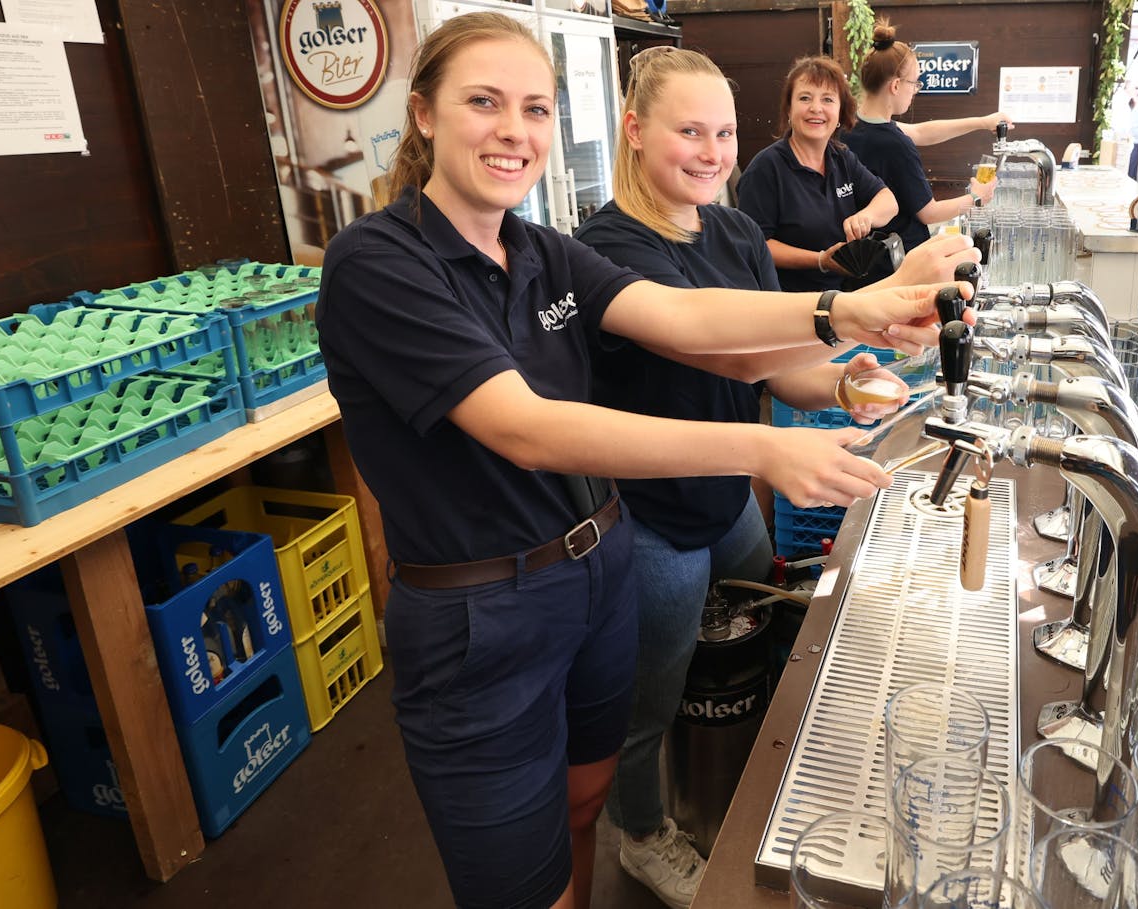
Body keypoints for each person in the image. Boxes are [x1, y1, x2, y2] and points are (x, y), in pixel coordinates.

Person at [314, 15, 959, 909]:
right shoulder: (378, 262)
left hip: (599, 568)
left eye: (535, 108)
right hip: (481, 614)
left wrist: (846, 316)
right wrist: (762, 446)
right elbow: (530, 428)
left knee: (585, 798)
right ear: (423, 114)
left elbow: (686, 321)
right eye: (484, 103)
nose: (515, 130)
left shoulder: (543, 251)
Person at [573, 46, 978, 908]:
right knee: (656, 691)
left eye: (722, 131)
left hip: (729, 498)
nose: (713, 151)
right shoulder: (604, 249)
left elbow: (763, 364)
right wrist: (852, 312)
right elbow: (696, 332)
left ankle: (757, 783)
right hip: (653, 518)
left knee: (776, 632)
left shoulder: (733, 231)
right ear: (636, 133)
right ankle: (643, 834)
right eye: (689, 131)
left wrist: (839, 381)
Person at [738, 55, 899, 292]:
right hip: (790, 303)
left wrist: (866, 216)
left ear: (840, 112)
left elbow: (888, 201)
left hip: (845, 293)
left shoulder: (840, 156)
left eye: (828, 99)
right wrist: (821, 261)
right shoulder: (766, 169)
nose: (816, 108)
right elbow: (756, 245)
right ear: (789, 110)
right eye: (805, 98)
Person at [842, 21, 1006, 253]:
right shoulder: (895, 145)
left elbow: (920, 131)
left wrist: (982, 122)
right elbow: (929, 213)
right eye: (915, 83)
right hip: (899, 258)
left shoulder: (852, 125)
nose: (915, 90)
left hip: (863, 255)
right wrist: (977, 198)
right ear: (896, 86)